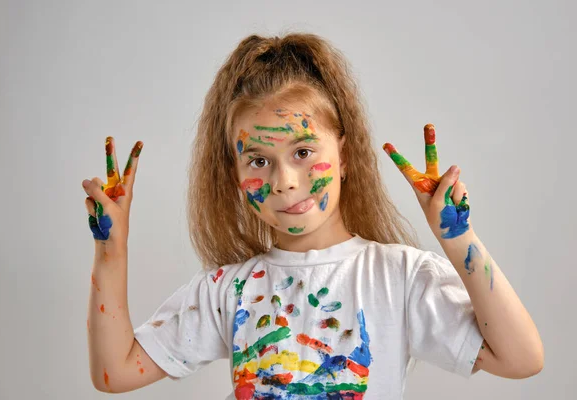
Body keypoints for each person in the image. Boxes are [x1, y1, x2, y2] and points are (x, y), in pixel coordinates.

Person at [82, 32, 543, 399]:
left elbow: (521, 358)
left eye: (303, 151)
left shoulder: (398, 278)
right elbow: (115, 372)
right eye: (259, 160)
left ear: (343, 153)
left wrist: (458, 238)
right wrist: (111, 250)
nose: (284, 180)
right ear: (234, 173)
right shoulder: (229, 290)